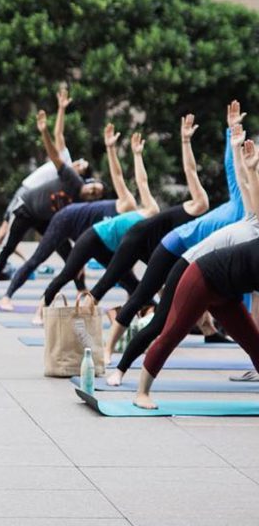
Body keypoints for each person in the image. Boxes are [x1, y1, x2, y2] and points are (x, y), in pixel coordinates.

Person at [107, 138, 259, 387]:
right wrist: (240, 154)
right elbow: (243, 180)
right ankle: (120, 369)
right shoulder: (253, 219)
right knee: (162, 324)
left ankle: (208, 328)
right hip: (190, 267)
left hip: (222, 283)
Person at [76, 115, 210, 318]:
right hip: (136, 239)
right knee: (107, 284)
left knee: (165, 283)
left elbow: (143, 182)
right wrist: (185, 141)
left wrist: (137, 154)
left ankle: (202, 326)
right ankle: (87, 324)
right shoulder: (199, 204)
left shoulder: (197, 220)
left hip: (152, 247)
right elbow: (188, 170)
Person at [33, 125, 160, 320]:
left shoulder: (153, 234)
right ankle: (40, 308)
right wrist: (128, 153)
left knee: (128, 280)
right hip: (92, 237)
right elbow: (134, 179)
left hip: (107, 248)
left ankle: (149, 314)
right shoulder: (146, 208)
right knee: (68, 274)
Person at [0, 110, 104, 295]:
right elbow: (55, 148)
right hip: (26, 206)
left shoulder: (81, 203)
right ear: (87, 182)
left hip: (47, 218)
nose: (92, 192)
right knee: (8, 245)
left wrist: (81, 260)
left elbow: (77, 233)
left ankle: (81, 289)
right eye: (93, 188)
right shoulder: (71, 176)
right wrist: (44, 130)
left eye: (95, 194)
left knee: (69, 252)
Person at [134, 237, 259, 410]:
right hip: (201, 279)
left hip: (227, 295)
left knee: (255, 344)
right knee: (171, 336)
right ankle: (141, 393)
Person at [0, 87, 91, 255]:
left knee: (8, 228)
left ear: (80, 175)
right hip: (29, 190)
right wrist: (61, 108)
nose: (79, 163)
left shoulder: (70, 181)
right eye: (80, 161)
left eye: (82, 165)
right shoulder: (65, 159)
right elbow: (59, 133)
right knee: (7, 228)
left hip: (33, 197)